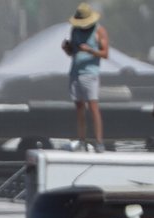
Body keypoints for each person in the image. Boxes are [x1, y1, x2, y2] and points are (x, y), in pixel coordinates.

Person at [62, 3, 108, 153]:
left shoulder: (99, 30)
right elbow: (72, 52)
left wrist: (90, 50)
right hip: (75, 72)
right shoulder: (75, 30)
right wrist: (67, 48)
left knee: (93, 107)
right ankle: (82, 141)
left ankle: (99, 142)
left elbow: (105, 53)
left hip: (90, 73)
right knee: (79, 108)